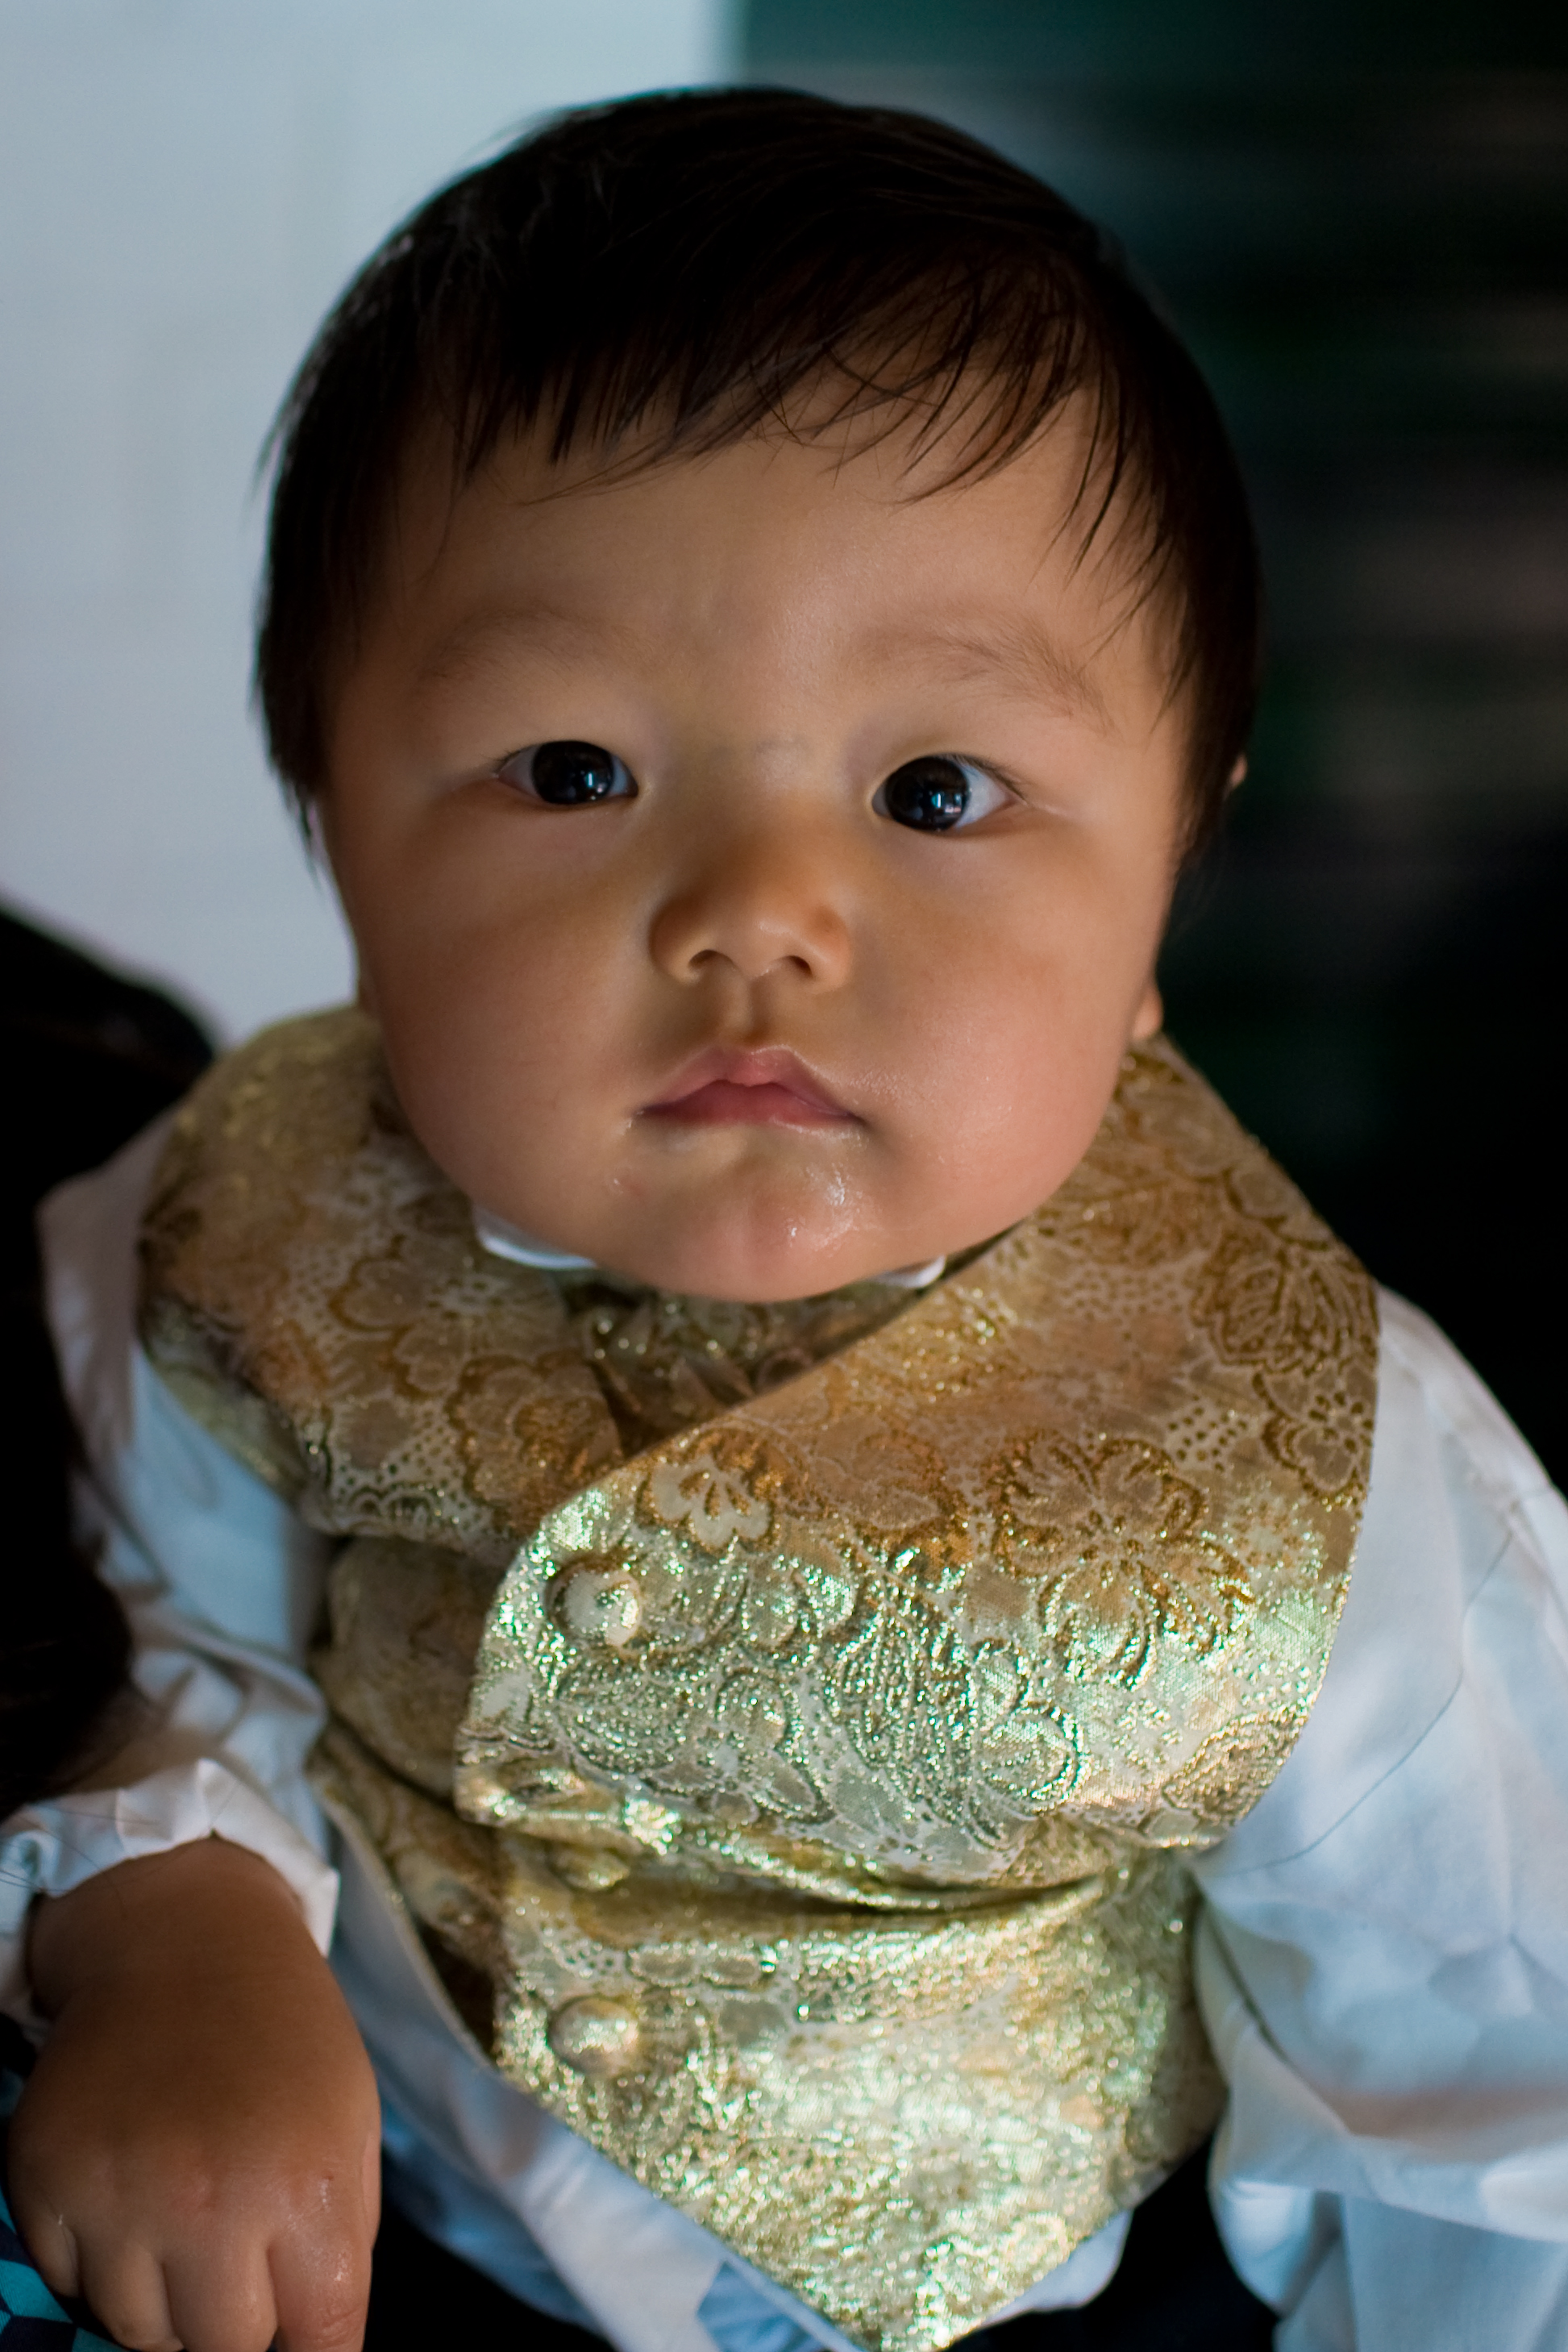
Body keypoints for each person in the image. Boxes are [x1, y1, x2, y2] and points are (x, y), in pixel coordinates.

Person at [2, 87, 1566, 2352]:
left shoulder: (1335, 1464)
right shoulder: (229, 1225)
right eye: (574, 773)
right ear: (336, 825)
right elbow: (152, 1611)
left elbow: (1483, 2093)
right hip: (403, 2229)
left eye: (935, 789)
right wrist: (182, 1925)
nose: (756, 913)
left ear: (1165, 882)